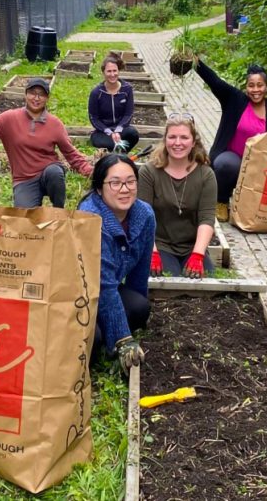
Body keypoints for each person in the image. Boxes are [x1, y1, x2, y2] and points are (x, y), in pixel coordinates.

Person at [78, 154, 155, 373]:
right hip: (76, 292)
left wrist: (135, 307)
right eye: (115, 182)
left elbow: (141, 269)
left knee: (139, 308)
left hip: (106, 287)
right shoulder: (90, 219)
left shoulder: (144, 214)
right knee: (92, 341)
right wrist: (122, 338)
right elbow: (103, 285)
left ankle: (107, 324)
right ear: (99, 189)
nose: (124, 189)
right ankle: (104, 330)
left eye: (130, 181)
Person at [0, 78, 92, 207]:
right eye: (32, 93)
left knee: (55, 173)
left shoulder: (54, 124)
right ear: (25, 94)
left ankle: (58, 211)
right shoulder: (9, 119)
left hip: (48, 172)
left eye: (41, 94)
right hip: (24, 179)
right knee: (24, 217)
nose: (36, 98)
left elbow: (71, 153)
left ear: (47, 98)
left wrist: (91, 171)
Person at [193, 59, 267, 222]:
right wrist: (195, 62)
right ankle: (221, 200)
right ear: (246, 87)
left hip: (259, 165)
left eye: (260, 85)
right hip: (233, 158)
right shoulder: (235, 100)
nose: (255, 90)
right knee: (225, 165)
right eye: (251, 85)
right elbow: (215, 82)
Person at [138, 113, 216, 278]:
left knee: (204, 276)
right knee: (168, 275)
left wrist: (198, 254)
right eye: (172, 137)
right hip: (160, 244)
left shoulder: (206, 175)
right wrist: (151, 252)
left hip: (191, 245)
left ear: (193, 142)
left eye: (184, 137)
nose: (177, 143)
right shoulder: (149, 172)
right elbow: (142, 216)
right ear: (165, 140)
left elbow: (207, 218)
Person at [88, 53, 138, 152]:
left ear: (118, 71)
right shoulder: (96, 93)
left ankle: (119, 154)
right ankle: (118, 153)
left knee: (133, 134)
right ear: (103, 73)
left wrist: (118, 130)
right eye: (109, 71)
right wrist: (109, 132)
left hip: (122, 130)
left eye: (115, 71)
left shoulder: (127, 89)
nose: (112, 74)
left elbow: (128, 114)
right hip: (104, 132)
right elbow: (94, 118)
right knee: (98, 141)